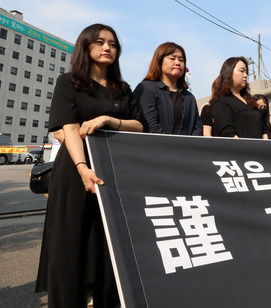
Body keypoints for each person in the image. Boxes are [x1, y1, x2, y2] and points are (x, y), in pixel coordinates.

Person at [35, 24, 143, 307]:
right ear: (85, 46)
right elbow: (68, 128)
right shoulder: (69, 82)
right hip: (75, 171)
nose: (107, 47)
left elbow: (139, 125)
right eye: (99, 42)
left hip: (113, 172)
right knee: (71, 243)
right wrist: (82, 167)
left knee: (111, 246)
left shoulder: (123, 89)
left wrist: (110, 120)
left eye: (112, 44)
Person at [133, 42, 202, 135]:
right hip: (156, 147)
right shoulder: (146, 88)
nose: (177, 63)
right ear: (159, 61)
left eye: (181, 60)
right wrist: (172, 146)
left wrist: (188, 147)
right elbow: (150, 126)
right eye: (172, 58)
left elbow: (197, 128)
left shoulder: (189, 97)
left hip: (187, 148)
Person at [211, 57, 267, 138]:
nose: (245, 75)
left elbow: (263, 129)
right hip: (238, 149)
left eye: (246, 72)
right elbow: (227, 133)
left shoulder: (250, 101)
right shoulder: (220, 101)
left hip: (260, 149)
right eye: (242, 71)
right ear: (229, 72)